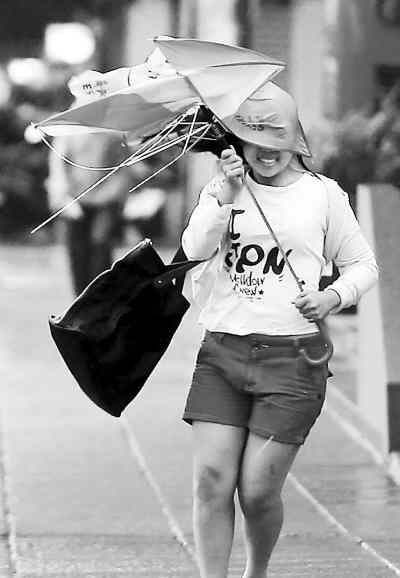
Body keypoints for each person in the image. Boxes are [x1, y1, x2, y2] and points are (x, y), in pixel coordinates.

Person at [180, 82, 378, 578]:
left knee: (258, 490)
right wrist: (222, 198)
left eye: (277, 139)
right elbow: (194, 250)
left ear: (296, 138)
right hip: (222, 351)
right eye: (254, 140)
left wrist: (332, 296)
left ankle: (257, 571)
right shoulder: (223, 190)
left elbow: (363, 265)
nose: (266, 152)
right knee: (211, 479)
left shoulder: (322, 195)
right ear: (237, 141)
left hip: (292, 361)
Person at [47, 129, 132, 296]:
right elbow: (58, 171)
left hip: (105, 203)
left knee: (100, 247)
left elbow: (122, 172)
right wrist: (64, 199)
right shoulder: (67, 137)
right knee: (78, 252)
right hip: (74, 203)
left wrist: (106, 197)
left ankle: (101, 297)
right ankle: (81, 299)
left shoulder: (114, 138)